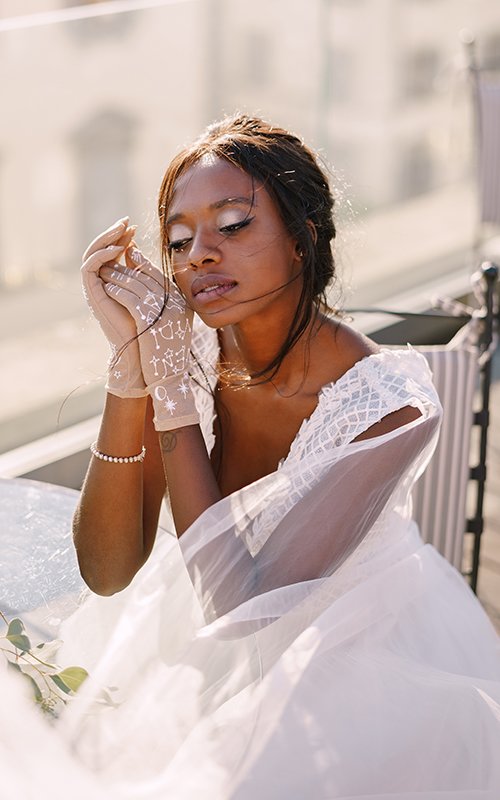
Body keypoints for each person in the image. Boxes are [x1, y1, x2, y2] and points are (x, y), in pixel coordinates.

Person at [7, 114, 500, 799]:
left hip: (356, 661)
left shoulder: (392, 404)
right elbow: (108, 569)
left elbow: (242, 611)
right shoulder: (189, 353)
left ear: (302, 238)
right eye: (179, 240)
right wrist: (132, 367)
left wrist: (172, 387)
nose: (199, 254)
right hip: (208, 641)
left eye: (232, 225)